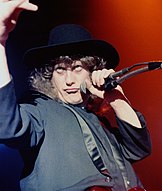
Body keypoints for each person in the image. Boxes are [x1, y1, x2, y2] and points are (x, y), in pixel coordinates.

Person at [0, 1, 151, 191]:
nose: (69, 80)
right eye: (60, 70)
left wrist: (117, 101)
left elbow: (139, 149)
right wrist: (0, 42)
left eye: (77, 68)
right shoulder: (40, 110)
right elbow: (8, 128)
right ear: (50, 77)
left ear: (92, 72)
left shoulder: (99, 120)